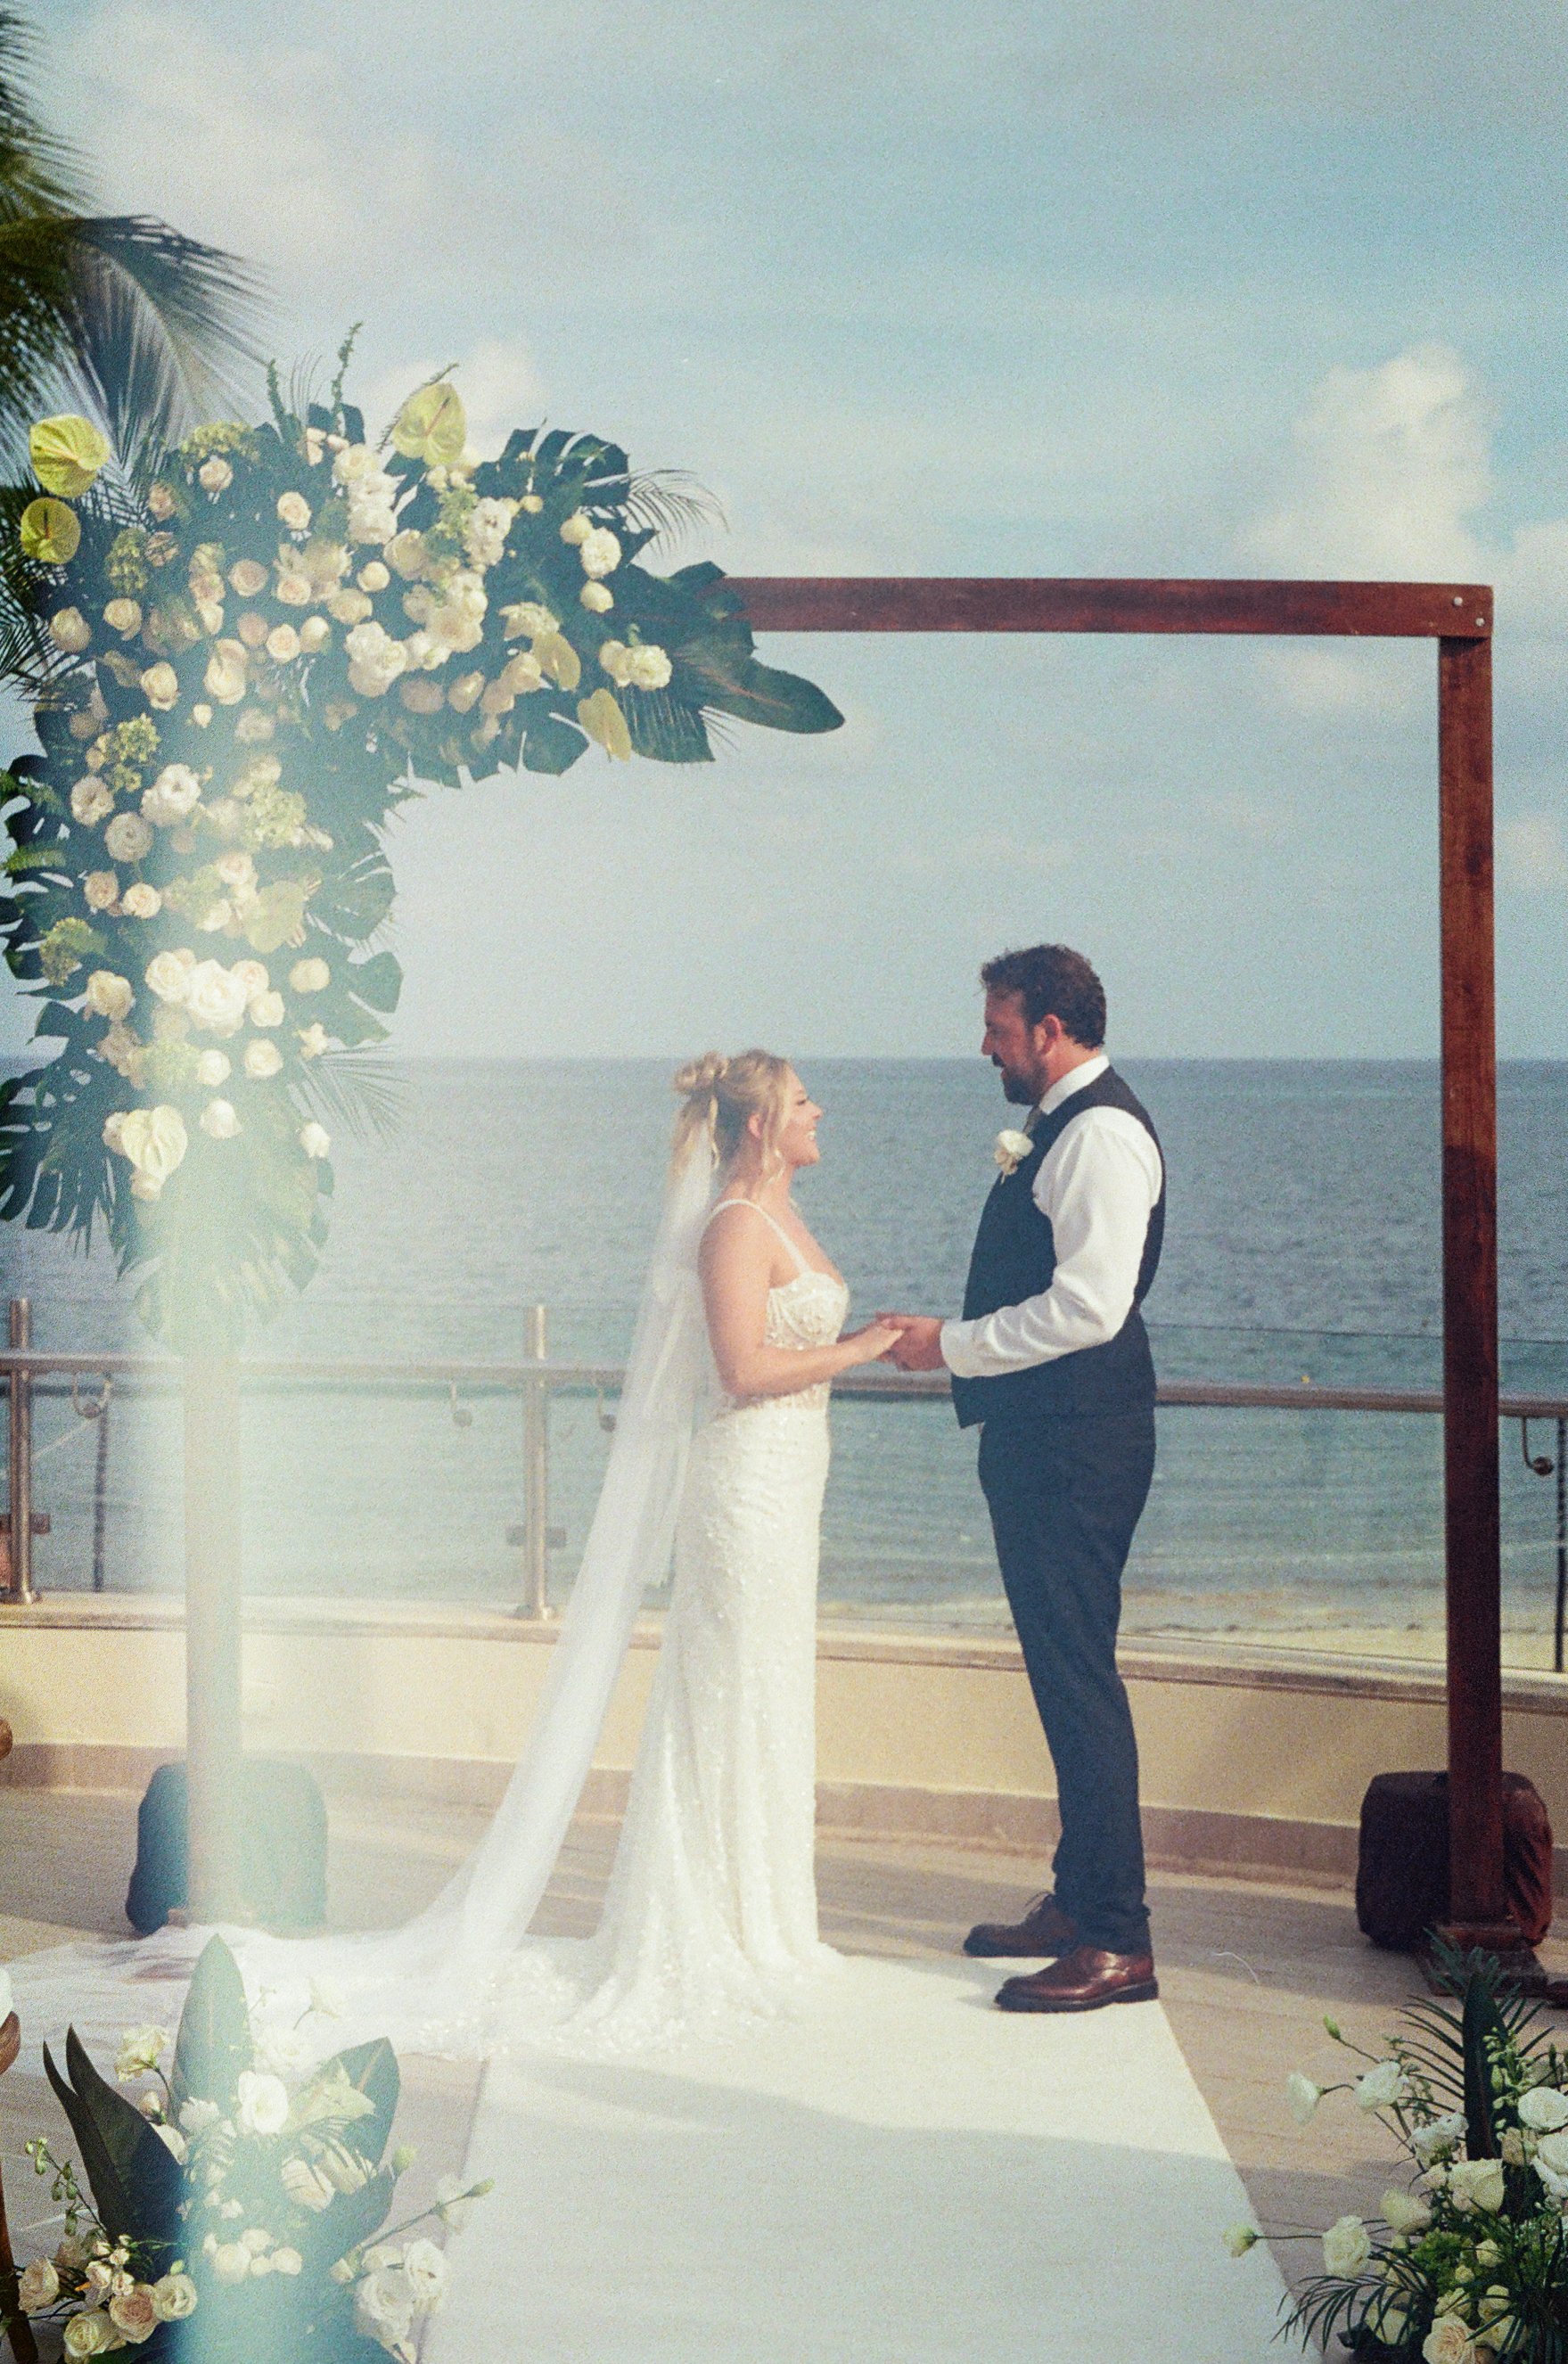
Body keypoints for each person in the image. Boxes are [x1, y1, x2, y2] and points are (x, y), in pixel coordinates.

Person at [7, 1052, 899, 2064]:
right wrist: (864, 1347)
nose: (820, 1112)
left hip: (793, 1488)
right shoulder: (733, 1227)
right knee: (731, 1695)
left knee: (769, 1693)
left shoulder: (780, 1215)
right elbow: (742, 1371)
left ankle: (766, 1921)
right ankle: (714, 1926)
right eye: (803, 1102)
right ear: (758, 1124)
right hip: (746, 1490)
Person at [880, 943, 1165, 2015]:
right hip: (1051, 1438)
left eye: (998, 1027)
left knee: (1078, 1675)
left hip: (1077, 1445)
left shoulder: (1097, 1134)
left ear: (1049, 1029)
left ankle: (1117, 1938)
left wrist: (948, 1346)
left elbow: (1090, 1308)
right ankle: (1078, 1897)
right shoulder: (1061, 1128)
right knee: (1061, 1672)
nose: (985, 1046)